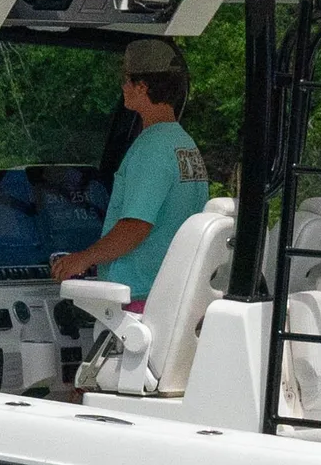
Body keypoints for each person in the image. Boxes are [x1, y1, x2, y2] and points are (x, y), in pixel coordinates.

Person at [48, 39, 209, 303]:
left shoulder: (151, 149)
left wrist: (82, 259)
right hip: (170, 290)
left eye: (126, 80)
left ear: (142, 86)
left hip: (136, 295)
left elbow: (135, 226)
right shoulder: (184, 144)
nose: (123, 87)